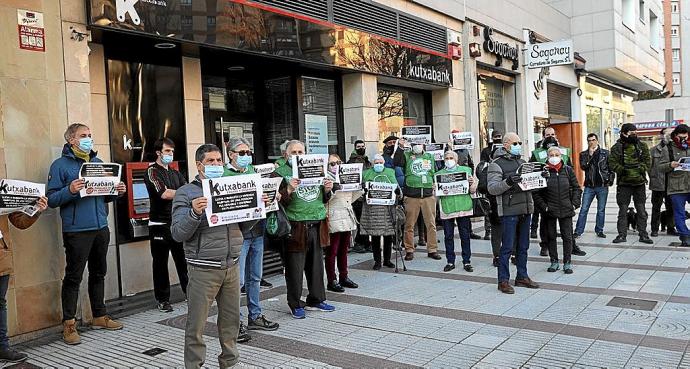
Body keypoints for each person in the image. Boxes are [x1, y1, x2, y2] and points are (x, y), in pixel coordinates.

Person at [47, 123, 126, 345]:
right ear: (71, 139)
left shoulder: (99, 164)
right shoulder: (60, 165)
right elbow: (51, 199)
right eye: (83, 135)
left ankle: (99, 316)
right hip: (76, 230)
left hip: (100, 227)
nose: (88, 139)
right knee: (74, 277)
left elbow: (104, 196)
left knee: (99, 273)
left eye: (90, 135)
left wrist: (116, 192)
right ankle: (69, 324)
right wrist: (70, 190)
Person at [171, 144, 242, 369]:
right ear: (199, 165)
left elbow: (245, 226)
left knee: (231, 321)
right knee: (197, 324)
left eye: (219, 161)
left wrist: (259, 208)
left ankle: (229, 362)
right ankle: (194, 365)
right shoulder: (186, 192)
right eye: (210, 161)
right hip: (203, 268)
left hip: (231, 265)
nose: (216, 165)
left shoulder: (230, 186)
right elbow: (178, 233)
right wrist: (194, 212)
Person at [223, 138, 279, 343]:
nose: (247, 155)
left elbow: (263, 198)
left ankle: (255, 316)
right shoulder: (222, 175)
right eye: (242, 152)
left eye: (248, 152)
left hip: (258, 231)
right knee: (236, 282)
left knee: (255, 277)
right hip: (238, 234)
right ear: (231, 154)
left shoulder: (254, 173)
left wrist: (272, 197)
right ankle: (234, 323)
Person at [275, 140, 336, 319]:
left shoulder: (316, 168)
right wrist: (289, 189)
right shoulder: (279, 173)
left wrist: (327, 190)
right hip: (295, 226)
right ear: (286, 155)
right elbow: (276, 202)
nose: (297, 155)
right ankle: (295, 303)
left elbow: (323, 199)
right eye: (293, 152)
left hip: (317, 223)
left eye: (300, 151)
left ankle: (316, 299)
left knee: (316, 266)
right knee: (294, 268)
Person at [487, 132, 541, 294]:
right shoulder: (496, 164)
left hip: (525, 209)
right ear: (505, 145)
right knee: (507, 247)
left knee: (523, 246)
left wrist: (542, 179)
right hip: (509, 210)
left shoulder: (523, 162)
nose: (518, 146)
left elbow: (532, 186)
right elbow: (493, 188)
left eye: (519, 143)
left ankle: (522, 276)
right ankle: (503, 280)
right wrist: (508, 181)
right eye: (515, 143)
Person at [0, 197, 49, 362]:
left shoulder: (3, 189)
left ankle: (2, 348)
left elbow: (19, 221)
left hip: (0, 255)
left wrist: (36, 211)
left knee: (0, 303)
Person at [144, 138, 189, 313]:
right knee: (160, 263)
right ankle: (162, 299)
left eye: (172, 151)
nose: (170, 154)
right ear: (158, 152)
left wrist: (184, 192)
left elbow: (187, 188)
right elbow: (163, 193)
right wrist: (183, 193)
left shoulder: (175, 173)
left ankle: (190, 293)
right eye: (167, 151)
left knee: (183, 260)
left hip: (177, 223)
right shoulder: (151, 171)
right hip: (159, 225)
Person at [532, 147, 582, 274]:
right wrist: (545, 207)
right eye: (551, 155)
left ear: (561, 156)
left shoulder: (568, 170)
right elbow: (536, 193)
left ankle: (567, 262)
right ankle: (554, 261)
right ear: (547, 157)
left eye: (557, 154)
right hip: (550, 210)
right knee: (551, 236)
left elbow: (577, 188)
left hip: (566, 208)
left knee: (567, 237)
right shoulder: (543, 172)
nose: (554, 157)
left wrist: (574, 204)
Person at [394, 141, 440, 261]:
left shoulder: (429, 156)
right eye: (415, 144)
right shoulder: (406, 155)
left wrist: (435, 184)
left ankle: (432, 249)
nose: (417, 146)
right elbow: (396, 162)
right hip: (411, 196)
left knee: (431, 224)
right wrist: (400, 148)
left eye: (419, 143)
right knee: (409, 225)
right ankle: (409, 250)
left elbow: (435, 171)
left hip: (428, 195)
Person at [609, 123, 653, 244]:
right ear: (623, 133)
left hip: (639, 184)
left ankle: (643, 235)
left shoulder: (642, 145)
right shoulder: (616, 147)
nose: (634, 134)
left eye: (635, 132)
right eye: (631, 133)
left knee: (641, 210)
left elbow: (648, 162)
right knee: (622, 211)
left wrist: (639, 169)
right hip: (624, 184)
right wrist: (624, 170)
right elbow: (612, 164)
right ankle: (622, 235)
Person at [437, 151, 477, 272]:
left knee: (465, 235)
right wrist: (436, 189)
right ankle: (450, 261)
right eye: (446, 158)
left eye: (451, 158)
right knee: (448, 236)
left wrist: (472, 184)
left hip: (463, 207)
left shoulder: (466, 170)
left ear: (456, 159)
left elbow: (472, 190)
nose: (449, 160)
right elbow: (437, 195)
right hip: (447, 208)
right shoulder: (439, 174)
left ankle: (467, 261)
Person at [325, 154, 360, 292]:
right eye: (332, 164)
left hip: (346, 215)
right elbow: (324, 199)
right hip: (333, 216)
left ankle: (344, 277)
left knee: (343, 250)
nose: (336, 165)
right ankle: (331, 279)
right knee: (332, 251)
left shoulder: (345, 175)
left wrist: (359, 187)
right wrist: (333, 189)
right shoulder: (326, 178)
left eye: (338, 162)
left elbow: (351, 198)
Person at [360, 154, 398, 270]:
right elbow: (360, 193)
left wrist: (397, 192)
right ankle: (377, 261)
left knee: (388, 237)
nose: (378, 165)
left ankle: (387, 260)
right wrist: (364, 191)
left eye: (380, 162)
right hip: (372, 211)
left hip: (387, 210)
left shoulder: (390, 172)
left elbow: (397, 189)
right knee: (375, 237)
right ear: (372, 164)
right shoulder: (366, 174)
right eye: (376, 163)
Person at [574, 133, 613, 239]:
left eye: (593, 140)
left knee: (601, 209)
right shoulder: (583, 154)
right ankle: (578, 231)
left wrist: (609, 181)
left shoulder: (605, 153)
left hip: (602, 186)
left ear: (597, 140)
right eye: (589, 140)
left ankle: (599, 230)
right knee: (584, 209)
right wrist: (590, 156)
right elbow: (583, 167)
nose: (591, 142)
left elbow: (611, 169)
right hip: (589, 186)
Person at [657, 124, 690, 246]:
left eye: (686, 137)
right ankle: (685, 235)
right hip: (676, 187)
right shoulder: (669, 148)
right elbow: (660, 167)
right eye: (681, 137)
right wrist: (670, 165)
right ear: (675, 135)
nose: (683, 140)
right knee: (679, 213)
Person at [649, 128, 677, 237]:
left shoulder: (674, 149)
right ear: (661, 136)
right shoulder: (653, 150)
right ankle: (654, 229)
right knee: (656, 207)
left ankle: (671, 228)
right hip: (658, 184)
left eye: (672, 134)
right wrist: (653, 177)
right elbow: (649, 167)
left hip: (672, 183)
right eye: (668, 134)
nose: (670, 136)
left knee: (671, 207)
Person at [479, 130, 503, 241]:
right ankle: (488, 230)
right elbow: (481, 166)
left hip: (501, 180)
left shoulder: (504, 148)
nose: (498, 138)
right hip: (489, 180)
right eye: (495, 137)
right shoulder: (486, 150)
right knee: (488, 208)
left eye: (499, 136)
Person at [348, 139, 372, 253]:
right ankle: (360, 242)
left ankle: (366, 242)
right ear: (354, 148)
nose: (361, 148)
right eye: (358, 147)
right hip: (356, 196)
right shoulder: (351, 162)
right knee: (359, 220)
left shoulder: (367, 161)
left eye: (363, 146)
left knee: (366, 219)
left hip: (367, 195)